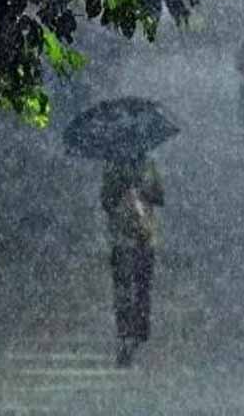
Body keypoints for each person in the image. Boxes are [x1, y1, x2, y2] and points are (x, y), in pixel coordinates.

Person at [100, 152, 164, 367]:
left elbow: (160, 197)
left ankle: (139, 333)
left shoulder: (149, 165)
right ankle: (125, 335)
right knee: (123, 289)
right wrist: (121, 188)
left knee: (142, 288)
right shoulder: (112, 166)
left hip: (144, 237)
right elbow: (106, 201)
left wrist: (144, 190)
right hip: (121, 238)